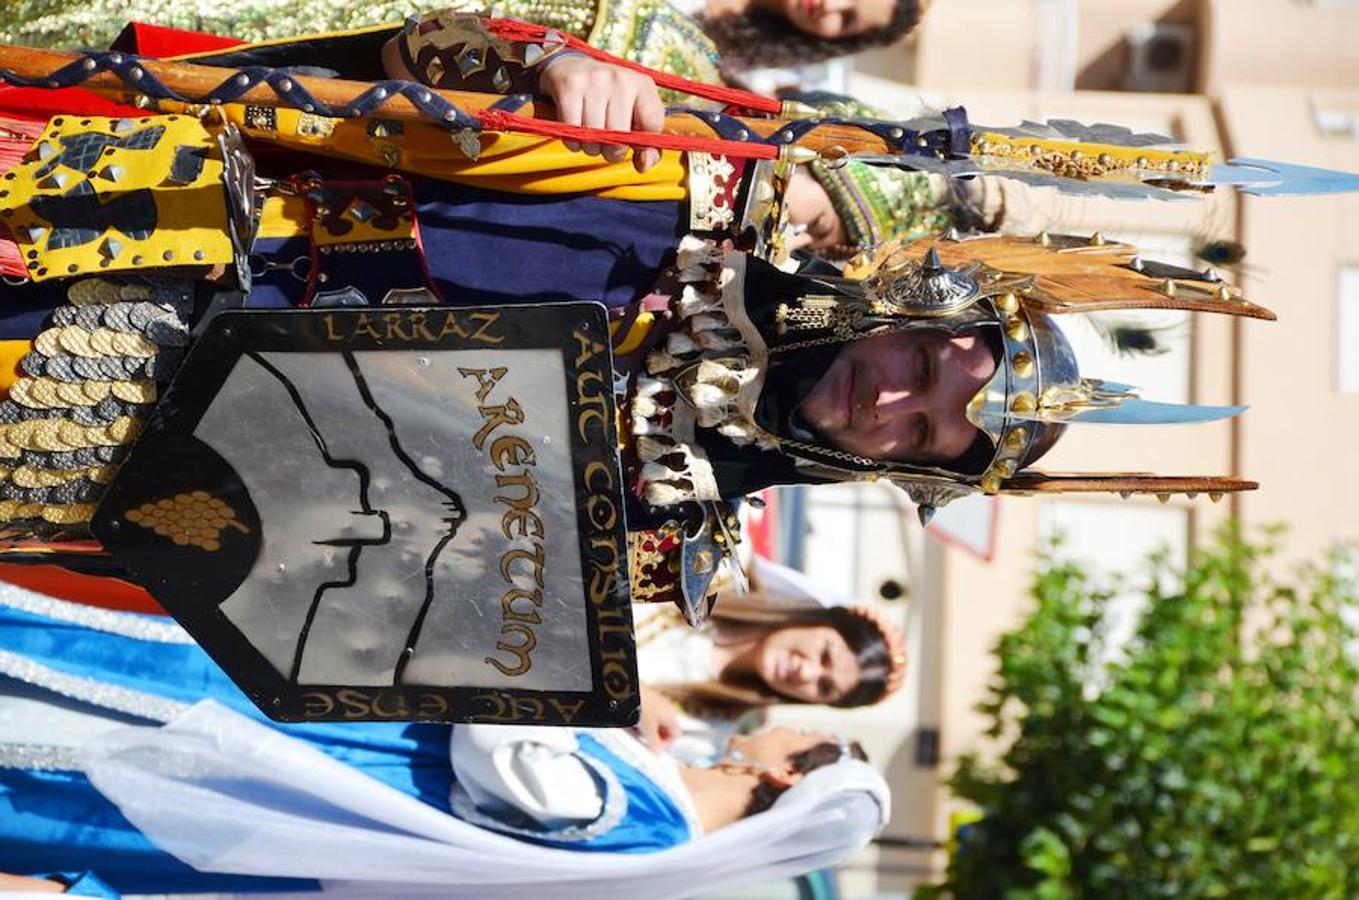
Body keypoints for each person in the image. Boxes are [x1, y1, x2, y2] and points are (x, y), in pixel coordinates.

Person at [0, 584, 888, 897]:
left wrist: (596, 695)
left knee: (84, 718)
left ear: (780, 776)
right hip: (349, 731)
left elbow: (502, 757)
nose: (802, 712)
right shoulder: (659, 792)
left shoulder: (650, 826)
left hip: (338, 761)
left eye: (814, 731)